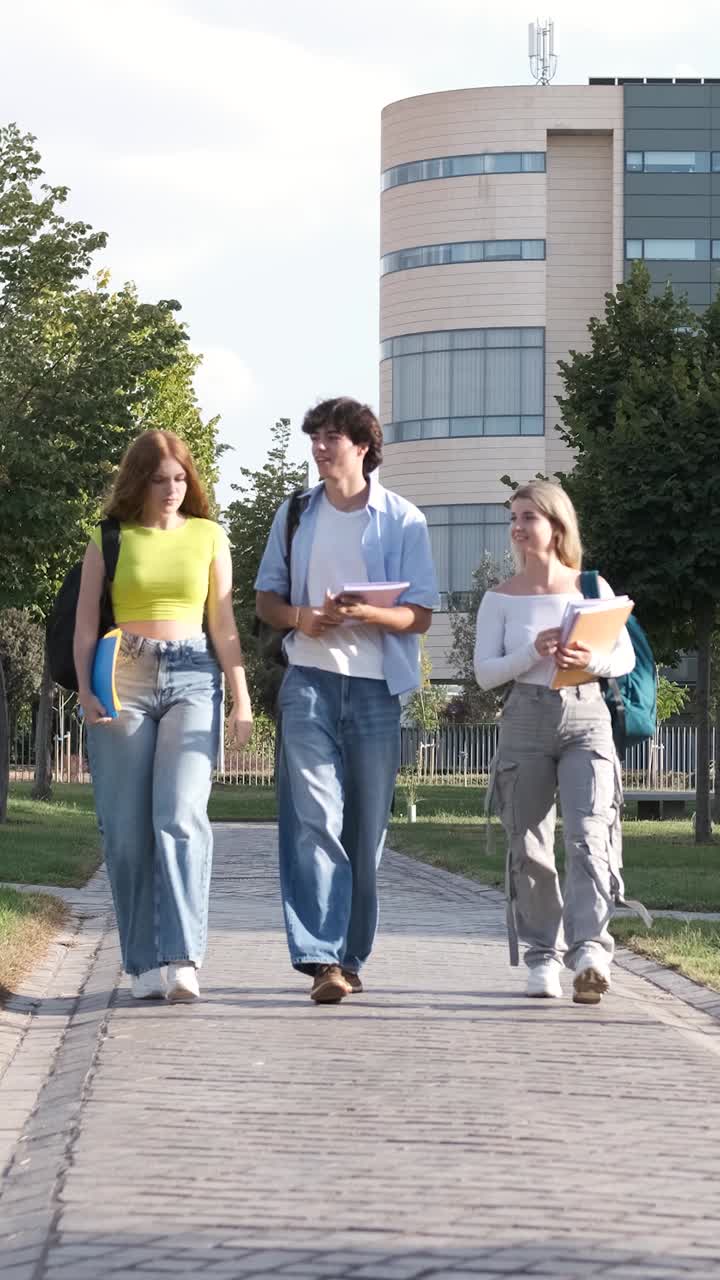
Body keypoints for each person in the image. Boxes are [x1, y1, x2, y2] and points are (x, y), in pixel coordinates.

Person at [255, 397, 438, 1004]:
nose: (319, 448)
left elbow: (420, 615)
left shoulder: (404, 519)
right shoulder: (295, 514)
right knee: (314, 816)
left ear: (363, 446)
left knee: (365, 829)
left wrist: (367, 612)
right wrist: (302, 618)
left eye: (331, 437)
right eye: (315, 438)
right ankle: (320, 957)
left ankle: (351, 955)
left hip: (376, 690)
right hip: (308, 679)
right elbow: (266, 601)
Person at [74, 430, 252, 1003]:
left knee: (178, 815)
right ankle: (142, 961)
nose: (172, 489)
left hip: (194, 674)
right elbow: (82, 628)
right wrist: (84, 690)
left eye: (180, 478)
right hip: (122, 675)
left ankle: (181, 959)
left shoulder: (208, 535)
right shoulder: (108, 539)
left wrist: (242, 698)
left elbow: (223, 624)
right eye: (159, 479)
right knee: (126, 832)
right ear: (138, 481)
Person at [474, 480, 635, 1005]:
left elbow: (624, 660)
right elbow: (484, 674)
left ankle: (591, 951)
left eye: (528, 518)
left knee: (590, 834)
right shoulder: (499, 597)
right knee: (528, 842)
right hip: (524, 717)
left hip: (586, 714)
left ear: (556, 526)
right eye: (514, 519)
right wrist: (530, 652)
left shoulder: (591, 587)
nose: (517, 528)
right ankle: (542, 956)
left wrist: (586, 661)